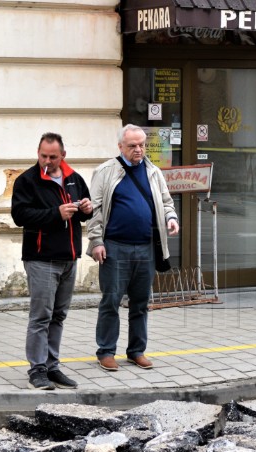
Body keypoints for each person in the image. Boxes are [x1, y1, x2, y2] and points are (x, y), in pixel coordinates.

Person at [87, 124, 179, 371]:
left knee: (140, 302)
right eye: (133, 146)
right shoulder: (105, 171)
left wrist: (171, 218)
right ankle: (106, 352)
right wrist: (96, 242)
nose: (139, 150)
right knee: (111, 301)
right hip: (115, 247)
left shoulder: (153, 171)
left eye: (142, 145)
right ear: (120, 146)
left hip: (146, 247)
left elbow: (167, 202)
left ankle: (136, 351)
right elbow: (94, 211)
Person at [11, 132, 92, 390]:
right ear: (38, 153)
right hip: (41, 258)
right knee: (41, 316)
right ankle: (37, 369)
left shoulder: (74, 179)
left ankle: (52, 366)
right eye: (43, 155)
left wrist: (87, 210)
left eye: (53, 156)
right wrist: (55, 214)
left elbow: (82, 214)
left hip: (69, 257)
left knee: (58, 315)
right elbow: (20, 215)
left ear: (63, 155)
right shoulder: (27, 180)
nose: (47, 161)